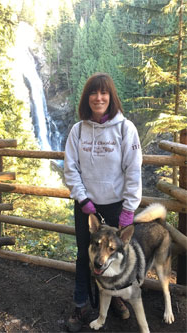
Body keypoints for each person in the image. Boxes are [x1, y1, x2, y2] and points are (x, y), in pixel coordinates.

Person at [64, 73, 142, 332]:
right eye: (93, 93)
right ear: (87, 98)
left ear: (111, 97)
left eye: (103, 93)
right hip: (87, 206)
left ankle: (116, 297)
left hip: (115, 206)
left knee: (115, 256)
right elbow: (70, 168)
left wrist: (129, 209)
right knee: (84, 255)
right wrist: (82, 198)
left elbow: (133, 170)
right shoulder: (78, 130)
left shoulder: (125, 128)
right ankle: (81, 304)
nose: (99, 98)